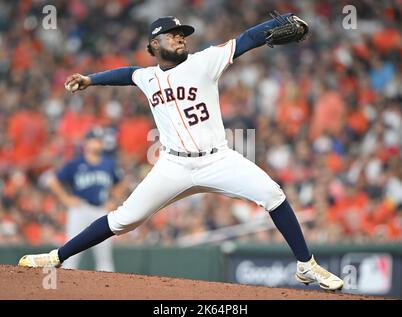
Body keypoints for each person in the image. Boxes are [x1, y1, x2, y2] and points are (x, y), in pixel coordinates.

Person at [19, 14, 343, 290]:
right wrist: (90, 79)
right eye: (172, 35)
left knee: (273, 194)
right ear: (154, 45)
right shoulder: (146, 76)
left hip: (218, 159)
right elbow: (125, 74)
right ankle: (56, 256)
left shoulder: (205, 61)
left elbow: (246, 39)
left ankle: (305, 264)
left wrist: (275, 23)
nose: (180, 38)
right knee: (123, 220)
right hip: (173, 165)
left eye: (182, 34)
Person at [46, 127, 126, 271]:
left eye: (100, 140)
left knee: (104, 258)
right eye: (94, 140)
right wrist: (66, 199)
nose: (98, 143)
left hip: (101, 210)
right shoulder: (75, 163)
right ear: (86, 143)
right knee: (71, 254)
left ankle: (108, 290)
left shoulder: (109, 163)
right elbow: (53, 181)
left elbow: (122, 183)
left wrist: (113, 199)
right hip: (80, 209)